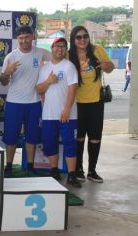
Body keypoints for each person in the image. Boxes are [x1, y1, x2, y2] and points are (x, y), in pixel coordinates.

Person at [0, 26, 51, 177]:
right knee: (11, 136)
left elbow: (56, 59)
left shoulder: (41, 52)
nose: (24, 41)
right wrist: (7, 72)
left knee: (32, 136)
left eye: (27, 37)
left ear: (32, 37)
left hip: (34, 102)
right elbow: (3, 82)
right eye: (21, 38)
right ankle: (8, 166)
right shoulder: (10, 56)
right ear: (17, 39)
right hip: (14, 103)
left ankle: (30, 166)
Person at [68, 25, 114, 183]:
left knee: (95, 137)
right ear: (73, 40)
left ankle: (92, 170)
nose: (82, 40)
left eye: (85, 36)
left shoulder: (98, 50)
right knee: (79, 138)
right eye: (78, 37)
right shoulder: (69, 56)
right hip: (77, 103)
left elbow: (110, 68)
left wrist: (108, 66)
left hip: (96, 102)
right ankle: (79, 169)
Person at [37, 37, 81, 188]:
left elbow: (73, 88)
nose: (60, 49)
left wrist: (67, 110)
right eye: (57, 46)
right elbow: (38, 89)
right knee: (49, 144)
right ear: (52, 48)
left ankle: (72, 175)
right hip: (49, 114)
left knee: (70, 144)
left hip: (68, 115)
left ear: (65, 50)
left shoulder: (69, 66)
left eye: (63, 46)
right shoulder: (44, 68)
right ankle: (54, 170)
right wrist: (49, 81)